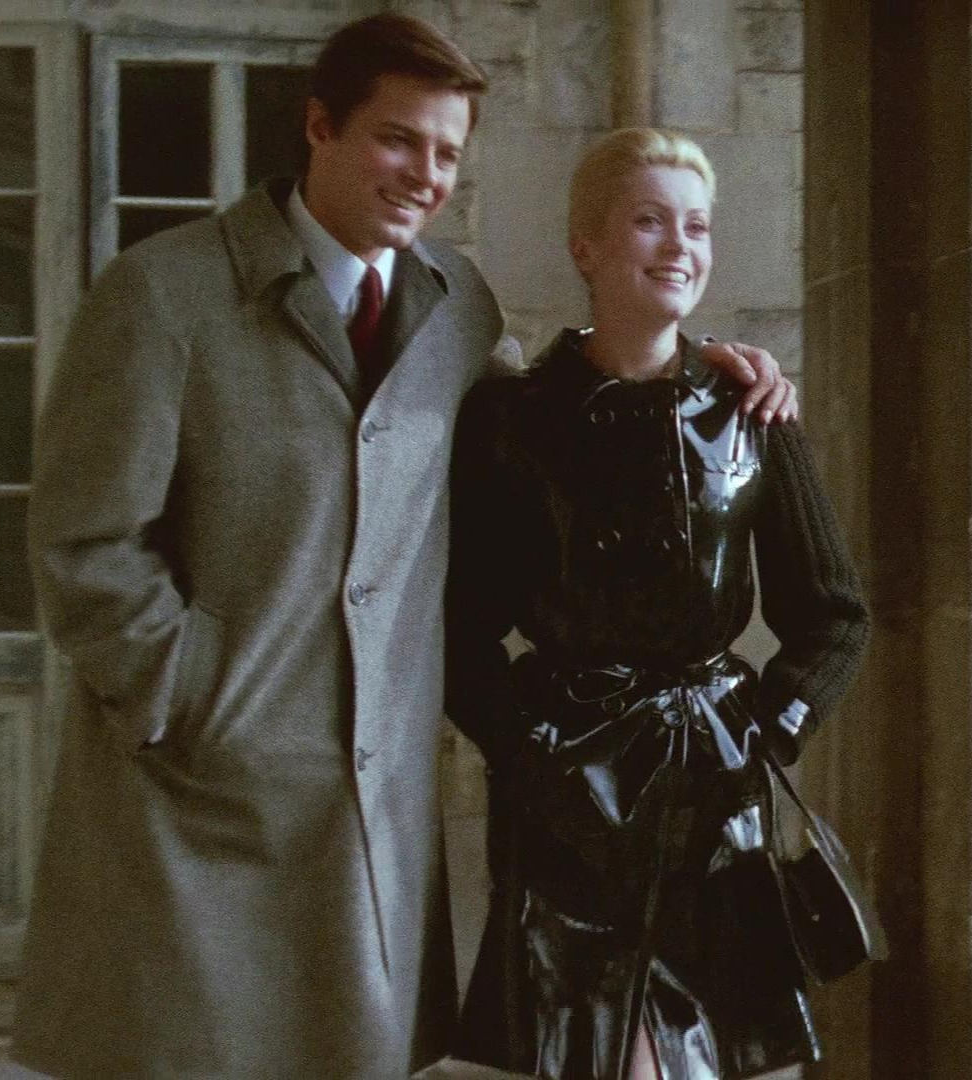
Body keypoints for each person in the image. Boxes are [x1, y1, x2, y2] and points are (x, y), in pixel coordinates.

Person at [13, 13, 796, 1078]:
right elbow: (84, 542)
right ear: (319, 127)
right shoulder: (165, 296)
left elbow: (561, 411)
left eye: (446, 152)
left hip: (366, 805)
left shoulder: (452, 304)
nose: (425, 174)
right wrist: (184, 692)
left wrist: (703, 370)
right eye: (396, 139)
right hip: (195, 789)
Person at [445, 128, 869, 1079]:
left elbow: (835, 613)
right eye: (648, 221)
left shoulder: (751, 412)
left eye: (696, 226)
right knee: (601, 1056)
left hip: (715, 784)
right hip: (570, 799)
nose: (678, 245)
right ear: (585, 246)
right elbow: (459, 630)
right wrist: (528, 751)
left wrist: (766, 731)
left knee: (731, 1059)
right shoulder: (513, 421)